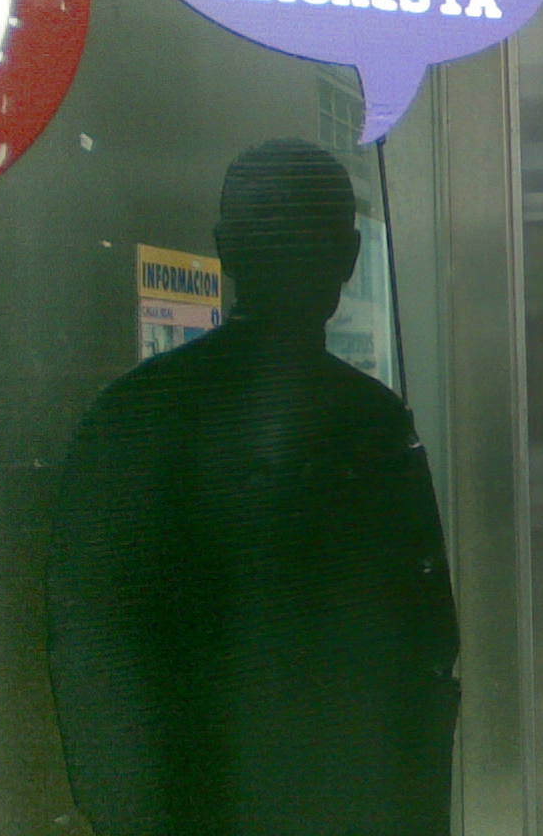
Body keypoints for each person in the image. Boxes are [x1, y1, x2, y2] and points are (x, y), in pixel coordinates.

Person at [47, 140, 459, 836]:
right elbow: (425, 643)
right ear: (349, 257)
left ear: (225, 250)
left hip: (195, 800)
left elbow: (90, 649)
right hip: (351, 798)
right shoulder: (373, 422)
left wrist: (129, 814)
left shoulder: (132, 415)